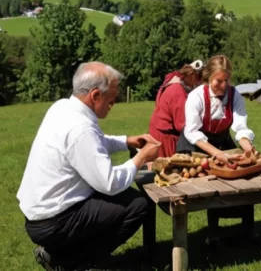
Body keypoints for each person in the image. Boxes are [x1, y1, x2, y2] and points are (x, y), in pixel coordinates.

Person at [17, 62, 161, 271]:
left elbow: (95, 141)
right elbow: (110, 183)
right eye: (111, 99)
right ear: (95, 95)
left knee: (127, 200)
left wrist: (127, 141)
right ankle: (71, 263)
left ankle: (59, 254)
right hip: (53, 221)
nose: (114, 104)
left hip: (39, 214)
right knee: (138, 205)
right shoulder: (80, 128)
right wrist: (141, 158)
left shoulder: (63, 107)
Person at [176, 55, 256, 235]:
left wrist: (246, 145)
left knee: (242, 175)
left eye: (226, 80)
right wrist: (217, 154)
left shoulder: (234, 95)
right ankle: (212, 233)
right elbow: (192, 132)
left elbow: (240, 126)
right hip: (194, 144)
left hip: (221, 140)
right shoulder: (196, 96)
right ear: (208, 77)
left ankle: (248, 229)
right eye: (218, 81)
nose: (223, 85)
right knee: (208, 184)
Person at [148, 60, 204, 158]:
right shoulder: (177, 90)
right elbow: (182, 123)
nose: (199, 83)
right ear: (192, 76)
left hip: (160, 134)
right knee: (169, 166)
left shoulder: (174, 85)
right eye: (199, 79)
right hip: (165, 138)